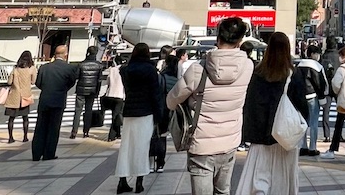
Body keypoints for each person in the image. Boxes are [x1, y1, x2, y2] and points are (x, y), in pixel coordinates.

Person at [168, 17, 253, 195]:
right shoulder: (248, 66)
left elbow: (171, 100)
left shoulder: (198, 70)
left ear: (218, 37)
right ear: (240, 40)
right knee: (223, 191)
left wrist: (192, 100)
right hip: (230, 140)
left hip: (202, 144)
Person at [235, 32, 308, 195]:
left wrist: (249, 132)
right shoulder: (293, 74)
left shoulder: (258, 73)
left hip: (261, 135)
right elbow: (302, 106)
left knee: (259, 175)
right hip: (285, 135)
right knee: (283, 176)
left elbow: (250, 104)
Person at [116, 43, 162, 194]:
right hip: (146, 111)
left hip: (129, 111)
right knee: (142, 147)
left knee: (126, 147)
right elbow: (155, 94)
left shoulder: (126, 70)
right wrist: (159, 115)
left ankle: (122, 180)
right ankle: (139, 182)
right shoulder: (150, 70)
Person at [32, 45, 78, 161]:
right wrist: (62, 89)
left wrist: (47, 88)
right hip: (58, 99)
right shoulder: (69, 68)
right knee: (53, 128)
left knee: (40, 127)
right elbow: (71, 82)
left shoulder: (44, 67)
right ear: (65, 54)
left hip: (45, 99)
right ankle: (49, 153)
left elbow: (38, 83)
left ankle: (36, 153)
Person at [319, 46, 345, 159]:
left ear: (344, 56)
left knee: (339, 125)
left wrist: (338, 91)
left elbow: (335, 85)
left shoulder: (342, 69)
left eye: (340, 56)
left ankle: (332, 150)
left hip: (344, 100)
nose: (339, 58)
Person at [296, 43, 327, 157]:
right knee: (313, 122)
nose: (318, 56)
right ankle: (313, 148)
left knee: (302, 122)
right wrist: (322, 97)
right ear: (313, 54)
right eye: (317, 53)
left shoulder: (299, 65)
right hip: (313, 96)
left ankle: (303, 146)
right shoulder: (317, 66)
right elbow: (321, 84)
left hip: (300, 98)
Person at [4, 50, 37, 144]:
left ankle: (10, 138)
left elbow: (9, 82)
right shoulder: (32, 68)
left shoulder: (16, 68)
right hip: (25, 96)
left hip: (14, 96)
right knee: (25, 118)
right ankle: (25, 137)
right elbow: (33, 81)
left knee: (11, 118)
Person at [71, 45, 103, 139]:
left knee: (78, 111)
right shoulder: (99, 65)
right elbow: (99, 80)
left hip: (81, 90)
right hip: (92, 91)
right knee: (88, 111)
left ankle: (74, 131)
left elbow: (76, 76)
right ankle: (86, 132)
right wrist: (97, 92)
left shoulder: (81, 64)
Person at [320, 36, 340, 142]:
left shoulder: (324, 56)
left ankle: (327, 135)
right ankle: (339, 135)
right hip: (337, 87)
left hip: (327, 87)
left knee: (326, 112)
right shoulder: (338, 57)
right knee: (340, 112)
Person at [102, 56, 126, 142]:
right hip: (120, 95)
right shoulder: (124, 70)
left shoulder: (111, 70)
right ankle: (111, 135)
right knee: (116, 115)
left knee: (115, 114)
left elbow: (107, 82)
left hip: (110, 94)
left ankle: (118, 133)